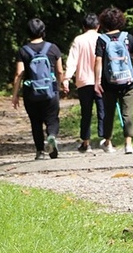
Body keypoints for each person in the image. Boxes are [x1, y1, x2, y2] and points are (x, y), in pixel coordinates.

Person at [12, 18, 66, 160]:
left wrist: (15, 95)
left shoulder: (23, 51)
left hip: (31, 93)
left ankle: (40, 152)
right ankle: (52, 137)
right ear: (43, 31)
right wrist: (59, 86)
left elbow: (19, 74)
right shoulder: (53, 48)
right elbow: (60, 71)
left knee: (35, 121)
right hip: (50, 90)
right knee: (52, 119)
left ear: (28, 32)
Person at [93, 7, 133, 154]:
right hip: (128, 82)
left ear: (103, 22)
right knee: (128, 114)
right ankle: (128, 145)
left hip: (109, 84)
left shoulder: (101, 39)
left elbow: (98, 62)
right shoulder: (127, 37)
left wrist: (96, 81)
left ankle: (107, 142)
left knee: (108, 113)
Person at [62, 12, 106, 154]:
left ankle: (86, 143)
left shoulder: (78, 40)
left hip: (83, 81)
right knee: (103, 110)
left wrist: (66, 78)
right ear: (98, 26)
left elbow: (72, 61)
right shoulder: (103, 38)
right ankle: (106, 139)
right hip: (101, 81)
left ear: (83, 26)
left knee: (86, 113)